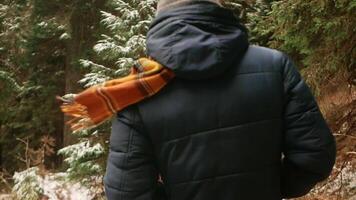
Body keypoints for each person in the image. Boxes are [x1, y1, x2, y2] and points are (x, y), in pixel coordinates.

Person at [103, 0, 336, 199]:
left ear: (161, 16)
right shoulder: (274, 66)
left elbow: (126, 193)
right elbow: (314, 156)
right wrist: (272, 187)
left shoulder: (139, 91)